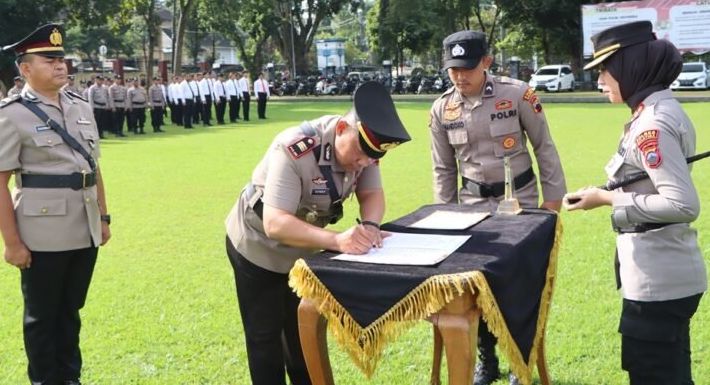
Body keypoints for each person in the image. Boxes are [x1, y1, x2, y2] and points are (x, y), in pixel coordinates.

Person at [225, 80, 411, 385]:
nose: (364, 163)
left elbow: (371, 194)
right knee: (265, 337)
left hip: (306, 246)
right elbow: (275, 223)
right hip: (258, 244)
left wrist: (370, 226)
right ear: (342, 129)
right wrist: (338, 241)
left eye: (371, 158)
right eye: (361, 154)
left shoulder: (365, 150)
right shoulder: (295, 147)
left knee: (301, 333)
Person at [563, 20, 706, 385]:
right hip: (663, 270)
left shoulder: (652, 124)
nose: (599, 81)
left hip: (659, 278)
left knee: (654, 376)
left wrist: (606, 198)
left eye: (605, 70)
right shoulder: (655, 110)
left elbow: (683, 204)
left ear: (631, 66)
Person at [429, 30, 566, 385]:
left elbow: (544, 147)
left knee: (521, 286)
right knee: (478, 288)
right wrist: (445, 217)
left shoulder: (517, 94)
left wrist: (552, 203)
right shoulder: (442, 108)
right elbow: (443, 169)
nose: (460, 76)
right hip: (473, 209)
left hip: (522, 205)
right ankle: (487, 361)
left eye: (467, 68)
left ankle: (521, 364)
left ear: (486, 62)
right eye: (453, 69)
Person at [0, 23, 111, 385]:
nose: (60, 66)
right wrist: (11, 243)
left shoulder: (79, 105)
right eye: (49, 60)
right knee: (42, 317)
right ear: (25, 68)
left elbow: (92, 167)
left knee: (71, 311)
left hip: (84, 226)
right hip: (42, 232)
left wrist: (103, 217)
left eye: (61, 59)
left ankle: (70, 378)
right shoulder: (10, 113)